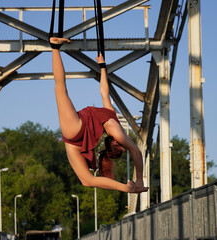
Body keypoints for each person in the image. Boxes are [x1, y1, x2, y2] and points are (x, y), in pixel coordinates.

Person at [50, 37, 148, 193]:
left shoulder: (115, 127)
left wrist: (141, 179)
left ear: (117, 143)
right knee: (87, 181)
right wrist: (102, 67)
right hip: (73, 138)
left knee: (61, 89)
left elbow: (136, 151)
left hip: (78, 127)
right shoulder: (112, 120)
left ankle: (55, 48)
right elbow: (105, 91)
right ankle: (125, 188)